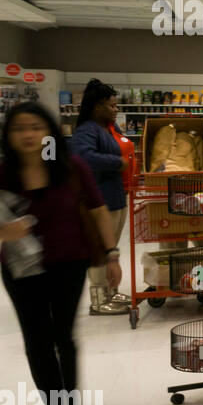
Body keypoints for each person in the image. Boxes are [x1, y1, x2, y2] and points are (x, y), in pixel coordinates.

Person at [0, 103, 122, 405]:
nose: (27, 135)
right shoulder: (3, 173)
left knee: (63, 337)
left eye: (35, 127)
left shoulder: (72, 168)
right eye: (19, 128)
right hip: (21, 269)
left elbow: (98, 210)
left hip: (69, 263)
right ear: (8, 136)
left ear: (49, 132)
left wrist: (112, 255)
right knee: (36, 341)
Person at [70, 79, 129, 315]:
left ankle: (110, 292)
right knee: (100, 250)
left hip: (115, 197)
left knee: (112, 248)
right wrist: (117, 162)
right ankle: (98, 299)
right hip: (100, 200)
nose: (116, 110)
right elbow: (83, 157)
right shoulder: (87, 130)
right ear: (97, 107)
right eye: (112, 106)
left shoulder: (109, 129)